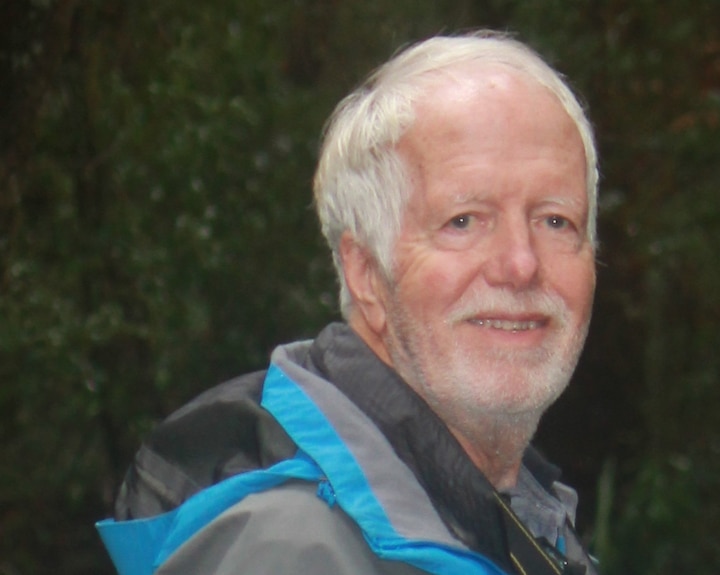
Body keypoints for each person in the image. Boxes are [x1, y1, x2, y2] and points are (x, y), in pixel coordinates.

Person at [97, 30, 600, 575]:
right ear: (365, 272)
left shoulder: (519, 525)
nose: (521, 264)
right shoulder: (293, 552)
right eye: (463, 222)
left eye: (556, 220)